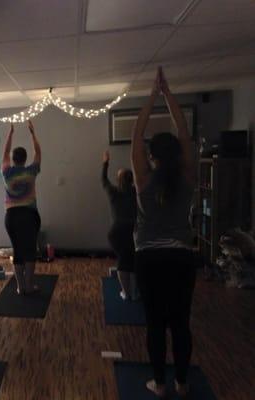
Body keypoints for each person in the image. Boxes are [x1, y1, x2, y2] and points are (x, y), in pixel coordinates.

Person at [131, 67, 196, 398]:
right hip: (182, 257)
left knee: (155, 323)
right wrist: (169, 95)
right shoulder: (188, 177)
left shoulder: (143, 179)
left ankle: (159, 383)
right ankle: (182, 383)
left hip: (150, 259)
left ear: (151, 156)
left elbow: (136, 135)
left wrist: (153, 96)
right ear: (178, 155)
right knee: (180, 322)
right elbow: (184, 130)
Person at [2, 120, 41, 295]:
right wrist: (33, 134)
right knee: (30, 250)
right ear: (24, 159)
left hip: (11, 216)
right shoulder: (31, 171)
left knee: (17, 250)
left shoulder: (7, 173)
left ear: (14, 158)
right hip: (29, 215)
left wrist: (10, 134)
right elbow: (38, 152)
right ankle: (30, 285)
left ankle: (20, 287)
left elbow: (4, 153)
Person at [101, 150, 137, 300]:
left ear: (119, 180)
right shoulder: (137, 192)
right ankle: (130, 293)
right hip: (131, 231)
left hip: (117, 232)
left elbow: (104, 179)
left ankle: (127, 292)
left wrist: (105, 162)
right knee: (130, 261)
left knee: (124, 261)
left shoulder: (113, 192)